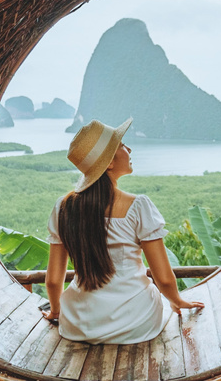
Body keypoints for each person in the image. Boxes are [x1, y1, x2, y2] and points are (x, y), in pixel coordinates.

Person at [42, 118, 204, 344]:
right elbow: (164, 278)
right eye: (122, 145)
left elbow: (52, 280)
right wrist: (176, 300)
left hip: (80, 325)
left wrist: (56, 312)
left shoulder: (63, 207)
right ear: (108, 163)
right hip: (136, 323)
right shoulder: (139, 206)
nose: (129, 149)